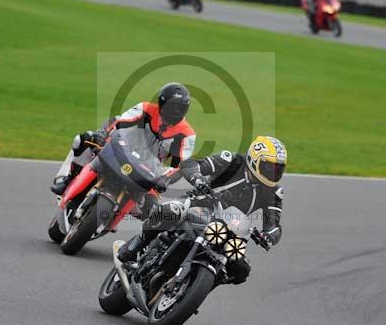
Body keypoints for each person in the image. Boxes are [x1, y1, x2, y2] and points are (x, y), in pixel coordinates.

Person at [118, 135, 287, 285]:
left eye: (278, 169)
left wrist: (269, 236)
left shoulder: (273, 192)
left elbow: (273, 224)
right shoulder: (232, 161)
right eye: (269, 167)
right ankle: (135, 245)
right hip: (201, 204)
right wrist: (198, 179)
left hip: (229, 228)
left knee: (241, 270)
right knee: (170, 210)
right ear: (254, 160)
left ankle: (197, 284)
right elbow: (191, 164)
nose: (273, 173)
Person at [51, 82, 196, 219]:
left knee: (153, 212)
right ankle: (68, 179)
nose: (175, 111)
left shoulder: (186, 133)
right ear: (161, 103)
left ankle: (141, 244)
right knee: (84, 139)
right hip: (120, 150)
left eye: (180, 108)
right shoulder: (146, 108)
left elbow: (181, 165)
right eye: (172, 106)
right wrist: (103, 132)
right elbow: (119, 121)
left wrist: (165, 179)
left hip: (147, 172)